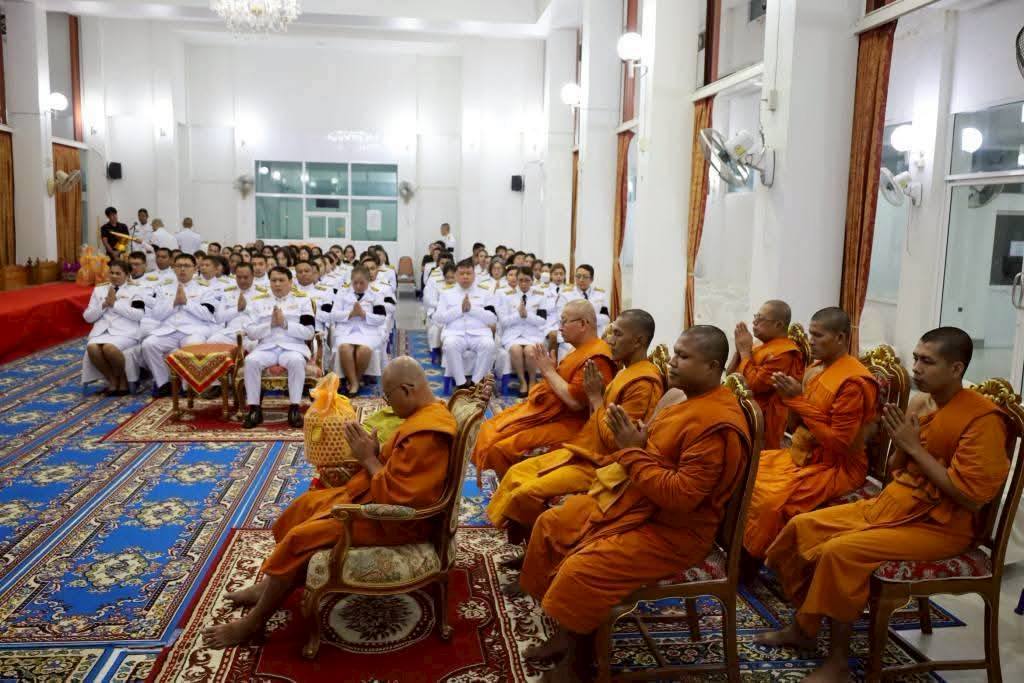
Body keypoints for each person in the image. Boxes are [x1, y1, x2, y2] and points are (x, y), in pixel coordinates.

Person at [758, 327, 1010, 683]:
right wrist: (904, 447)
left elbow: (971, 496)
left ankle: (839, 663)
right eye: (916, 359)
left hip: (941, 527)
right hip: (897, 503)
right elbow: (899, 472)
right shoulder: (925, 404)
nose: (917, 368)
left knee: (840, 552)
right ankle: (804, 625)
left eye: (927, 361)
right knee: (802, 525)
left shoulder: (983, 420)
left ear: (956, 369)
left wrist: (915, 447)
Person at [514, 326, 752, 678]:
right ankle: (568, 633)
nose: (671, 362)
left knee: (581, 567)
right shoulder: (685, 400)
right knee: (553, 524)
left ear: (713, 366)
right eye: (674, 353)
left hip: (676, 532)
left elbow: (681, 497)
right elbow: (657, 451)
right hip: (641, 502)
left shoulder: (715, 422)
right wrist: (638, 446)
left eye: (683, 357)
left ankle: (580, 665)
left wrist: (631, 450)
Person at [201, 357, 456, 648]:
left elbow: (403, 498)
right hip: (376, 498)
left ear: (407, 390)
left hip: (396, 522)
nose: (387, 403)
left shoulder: (428, 434)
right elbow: (399, 471)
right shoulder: (427, 415)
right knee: (305, 506)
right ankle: (272, 583)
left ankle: (253, 622)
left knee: (301, 537)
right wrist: (375, 452)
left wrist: (369, 458)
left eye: (388, 395)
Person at [487, 309, 664, 538]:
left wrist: (595, 398)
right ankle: (530, 540)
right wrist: (595, 399)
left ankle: (544, 540)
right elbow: (597, 418)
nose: (609, 339)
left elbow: (621, 444)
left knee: (526, 491)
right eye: (611, 333)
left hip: (604, 466)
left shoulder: (643, 384)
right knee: (517, 472)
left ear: (638, 340)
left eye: (617, 334)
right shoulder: (626, 370)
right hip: (586, 450)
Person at [743, 307, 879, 562]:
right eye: (810, 334)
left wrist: (797, 401)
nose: (810, 341)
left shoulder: (853, 382)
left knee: (769, 500)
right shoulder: (816, 369)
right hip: (802, 454)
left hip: (836, 466)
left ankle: (752, 560)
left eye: (818, 335)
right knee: (745, 470)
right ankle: (738, 550)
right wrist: (790, 400)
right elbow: (797, 427)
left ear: (840, 338)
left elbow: (839, 443)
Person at [471, 300, 615, 479]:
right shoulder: (580, 349)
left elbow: (576, 403)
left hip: (573, 424)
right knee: (493, 428)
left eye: (564, 321)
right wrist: (553, 372)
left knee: (501, 446)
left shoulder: (596, 358)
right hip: (553, 413)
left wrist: (547, 371)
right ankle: (509, 487)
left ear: (583, 324)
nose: (559, 327)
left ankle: (515, 489)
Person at [241, 267, 316, 429]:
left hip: (293, 347)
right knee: (251, 361)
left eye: (281, 280)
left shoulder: (303, 301)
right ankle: (254, 409)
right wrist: (271, 324)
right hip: (266, 347)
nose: (277, 284)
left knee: (296, 361)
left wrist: (285, 323)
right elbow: (251, 333)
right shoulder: (257, 301)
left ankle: (294, 408)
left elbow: (309, 333)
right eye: (274, 280)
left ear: (290, 282)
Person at [726, 300, 806, 449]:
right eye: (756, 316)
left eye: (760, 319)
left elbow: (753, 386)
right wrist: (740, 350)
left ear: (778, 325)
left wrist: (745, 352)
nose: (754, 322)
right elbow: (731, 376)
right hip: (740, 406)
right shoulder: (758, 344)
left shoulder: (784, 354)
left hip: (760, 419)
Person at [140, 254, 220, 397]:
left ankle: (186, 386)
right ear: (173, 268)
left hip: (193, 330)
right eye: (179, 266)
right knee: (148, 344)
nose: (182, 269)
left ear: (195, 268)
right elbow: (156, 314)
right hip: (168, 330)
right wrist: (174, 302)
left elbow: (208, 314)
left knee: (193, 345)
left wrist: (186, 303)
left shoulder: (205, 289)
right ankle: (164, 383)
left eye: (187, 266)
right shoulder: (163, 288)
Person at [83, 260, 149, 395]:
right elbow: (88, 317)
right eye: (111, 273)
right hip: (102, 331)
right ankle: (112, 380)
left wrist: (115, 305)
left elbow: (138, 315)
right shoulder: (99, 290)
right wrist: (104, 305)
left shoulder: (136, 289)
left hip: (126, 331)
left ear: (127, 274)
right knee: (92, 348)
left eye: (118, 273)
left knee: (109, 348)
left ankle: (123, 380)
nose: (114, 276)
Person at [433, 259, 498, 390]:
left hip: (479, 334)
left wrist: (472, 310)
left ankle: (476, 383)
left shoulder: (485, 293)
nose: (465, 276)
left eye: (468, 273)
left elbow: (492, 318)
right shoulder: (446, 293)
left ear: (474, 275)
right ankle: (461, 383)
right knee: (450, 345)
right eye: (462, 273)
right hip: (455, 333)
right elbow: (439, 318)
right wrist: (460, 310)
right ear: (456, 275)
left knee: (489, 344)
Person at [328, 265, 387, 397]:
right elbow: (333, 315)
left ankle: (355, 379)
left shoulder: (376, 294)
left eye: (362, 283)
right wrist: (350, 314)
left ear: (368, 281)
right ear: (351, 281)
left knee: (364, 350)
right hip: (346, 330)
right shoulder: (342, 293)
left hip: (368, 331)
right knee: (344, 348)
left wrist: (364, 315)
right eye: (355, 283)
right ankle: (354, 383)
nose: (358, 286)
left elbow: (381, 318)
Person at [498, 268, 549, 397]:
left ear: (532, 281)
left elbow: (542, 321)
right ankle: (522, 382)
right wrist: (518, 315)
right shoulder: (506, 295)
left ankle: (532, 381)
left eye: (527, 280)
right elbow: (503, 321)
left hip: (532, 335)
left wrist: (527, 315)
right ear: (516, 280)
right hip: (512, 334)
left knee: (530, 351)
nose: (524, 284)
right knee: (515, 350)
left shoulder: (540, 295)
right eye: (521, 280)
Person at [207, 262, 260, 350]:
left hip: (251, 335)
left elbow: (263, 319)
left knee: (256, 348)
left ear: (253, 276)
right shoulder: (228, 293)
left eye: (245, 277)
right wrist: (237, 309)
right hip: (231, 333)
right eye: (239, 277)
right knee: (211, 341)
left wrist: (246, 309)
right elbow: (219, 318)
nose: (242, 280)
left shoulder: (262, 294)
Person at [563, 264, 610, 338]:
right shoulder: (566, 295)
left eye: (585, 277)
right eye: (578, 276)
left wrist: (585, 318)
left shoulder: (601, 294)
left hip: (596, 335)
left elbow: (605, 318)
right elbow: (564, 318)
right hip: (573, 336)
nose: (581, 280)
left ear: (591, 279)